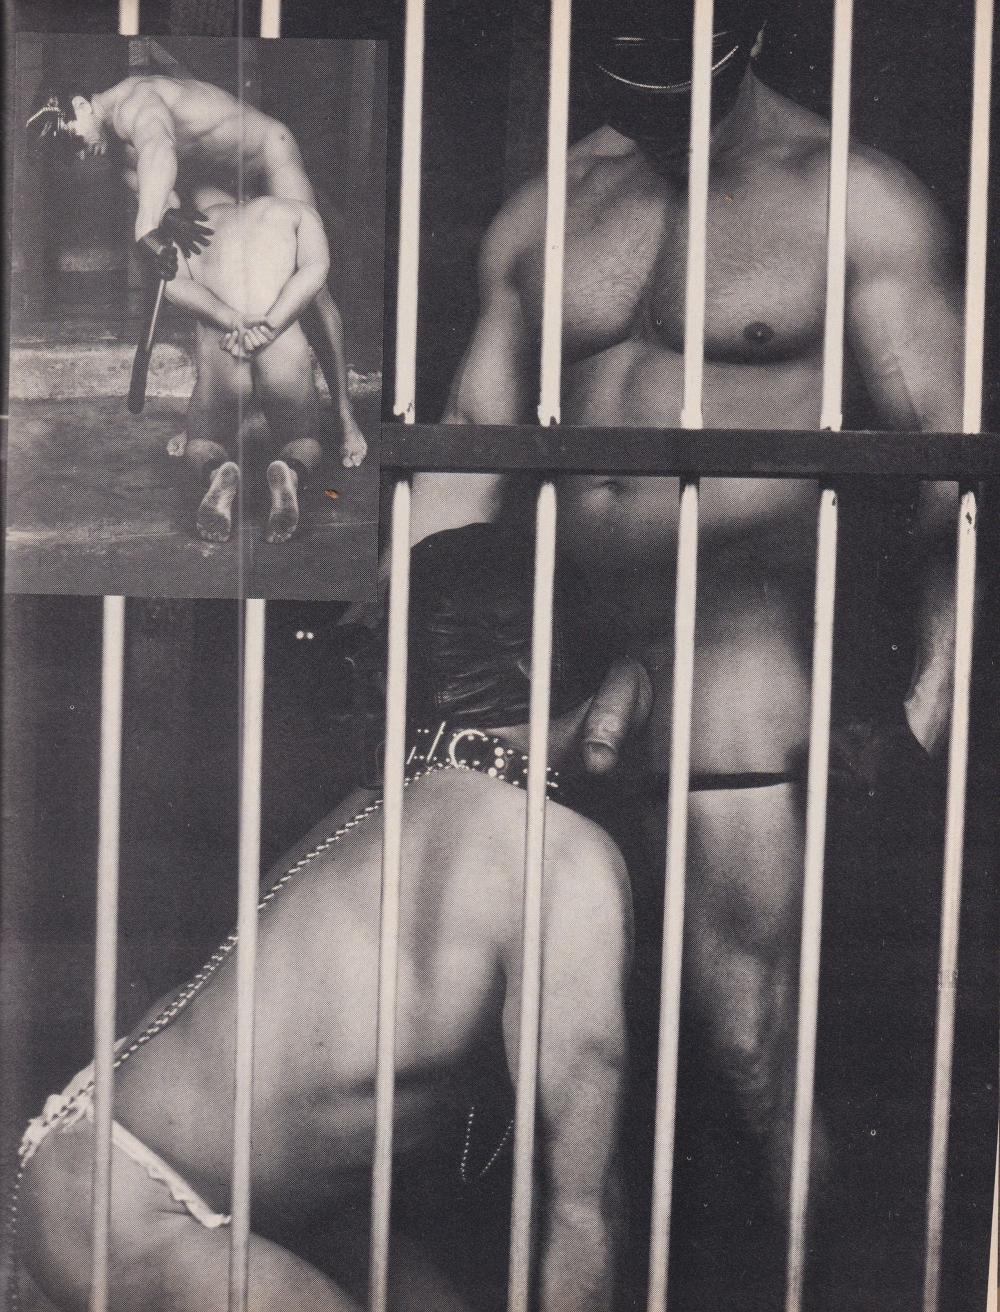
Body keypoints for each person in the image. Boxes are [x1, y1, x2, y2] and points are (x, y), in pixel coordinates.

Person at [409, 0, 961, 1213]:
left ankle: (815, 1274)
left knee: (749, 1037)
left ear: (745, 33)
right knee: (504, 1041)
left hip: (734, 639)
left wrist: (926, 698)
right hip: (552, 641)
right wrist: (418, 686)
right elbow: (462, 459)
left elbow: (956, 467)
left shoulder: (849, 196)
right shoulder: (554, 202)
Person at [14, 525, 632, 1312]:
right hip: (129, 1197)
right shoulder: (565, 860)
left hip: (173, 1175)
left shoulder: (386, 802)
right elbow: (584, 1212)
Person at [25, 73, 367, 468]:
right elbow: (163, 197)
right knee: (202, 275)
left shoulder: (138, 104)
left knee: (314, 291)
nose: (82, 155)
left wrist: (148, 229)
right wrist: (167, 221)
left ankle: (345, 417)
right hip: (213, 178)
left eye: (74, 140)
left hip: (266, 157)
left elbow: (159, 151)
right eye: (70, 154)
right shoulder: (116, 151)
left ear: (82, 105)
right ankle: (206, 419)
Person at [162, 184, 331, 545]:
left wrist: (232, 319)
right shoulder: (296, 210)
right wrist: (269, 327)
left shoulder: (191, 225)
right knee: (304, 439)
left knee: (202, 440)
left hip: (224, 344)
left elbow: (172, 285)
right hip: (281, 343)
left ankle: (218, 472)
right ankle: (289, 472)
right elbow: (315, 271)